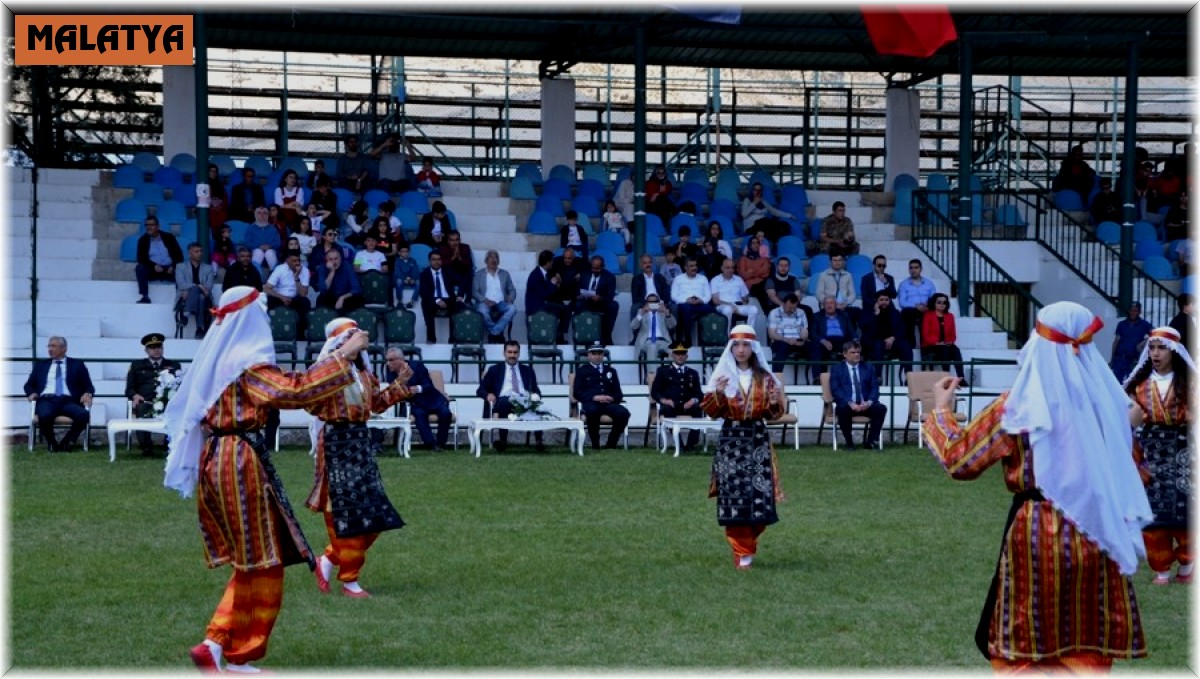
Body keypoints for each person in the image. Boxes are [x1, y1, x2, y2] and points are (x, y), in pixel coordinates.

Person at [922, 301, 1151, 671]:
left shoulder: (1019, 405)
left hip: (1038, 531)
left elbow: (960, 460)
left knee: (1026, 635)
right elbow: (1136, 472)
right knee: (1087, 631)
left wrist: (941, 411)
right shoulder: (1107, 404)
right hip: (1098, 530)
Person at [162, 286, 365, 674]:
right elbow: (295, 392)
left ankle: (221, 644)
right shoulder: (246, 363)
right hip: (238, 461)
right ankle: (229, 648)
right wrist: (344, 356)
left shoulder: (224, 361)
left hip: (221, 458)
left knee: (254, 558)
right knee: (260, 560)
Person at [303, 318, 415, 599]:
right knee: (344, 513)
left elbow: (375, 404)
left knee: (376, 515)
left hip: (360, 444)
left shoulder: (363, 374)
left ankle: (328, 559)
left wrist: (399, 385)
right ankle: (350, 579)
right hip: (336, 443)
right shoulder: (324, 371)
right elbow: (311, 402)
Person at [700, 324, 786, 570]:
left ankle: (747, 545)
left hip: (757, 439)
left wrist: (772, 404)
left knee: (759, 495)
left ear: (753, 348)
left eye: (745, 344)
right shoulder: (722, 376)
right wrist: (716, 393)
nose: (740, 350)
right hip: (731, 441)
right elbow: (710, 411)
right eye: (736, 345)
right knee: (734, 496)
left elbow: (776, 412)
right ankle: (742, 552)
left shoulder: (765, 378)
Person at [1124, 326, 1194, 586]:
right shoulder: (1137, 384)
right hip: (1150, 452)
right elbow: (1130, 419)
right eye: (1151, 348)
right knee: (1153, 515)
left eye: (1161, 348)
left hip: (1184, 452)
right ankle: (1161, 567)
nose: (1155, 353)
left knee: (1187, 514)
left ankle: (1188, 562)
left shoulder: (1190, 383)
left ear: (1174, 351)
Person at [24, 335, 94, 452]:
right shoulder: (41, 365)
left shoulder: (77, 364)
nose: (50, 349)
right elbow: (28, 385)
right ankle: (52, 443)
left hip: (68, 401)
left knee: (84, 415)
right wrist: (31, 393)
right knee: (45, 416)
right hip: (47, 400)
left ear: (64, 348)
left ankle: (66, 442)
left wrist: (88, 393)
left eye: (54, 346)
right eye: (49, 346)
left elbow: (89, 386)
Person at [477, 341, 544, 452]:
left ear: (519, 353)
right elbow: (480, 390)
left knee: (535, 403)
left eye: (515, 352)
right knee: (505, 402)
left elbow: (536, 389)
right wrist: (488, 394)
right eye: (510, 352)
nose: (512, 355)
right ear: (504, 353)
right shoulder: (495, 370)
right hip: (503, 401)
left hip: (523, 400)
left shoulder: (528, 370)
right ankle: (503, 441)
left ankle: (539, 442)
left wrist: (536, 396)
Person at [125, 332, 183, 456]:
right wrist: (135, 396)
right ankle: (146, 447)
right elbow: (129, 389)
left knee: (176, 411)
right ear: (146, 350)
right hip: (145, 401)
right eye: (152, 348)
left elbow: (180, 386)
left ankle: (169, 445)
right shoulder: (136, 365)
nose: (156, 350)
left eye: (159, 347)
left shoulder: (174, 365)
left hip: (168, 402)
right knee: (142, 410)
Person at [385, 347, 452, 451]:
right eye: (387, 360)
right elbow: (394, 389)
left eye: (391, 360)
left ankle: (441, 443)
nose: (388, 363)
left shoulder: (417, 366)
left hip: (431, 398)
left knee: (446, 414)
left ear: (400, 359)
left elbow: (428, 385)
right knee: (420, 415)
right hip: (415, 402)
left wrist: (418, 388)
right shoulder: (390, 372)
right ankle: (431, 444)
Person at [829, 339, 886, 449]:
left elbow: (875, 388)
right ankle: (849, 443)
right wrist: (850, 403)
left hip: (865, 404)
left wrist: (869, 403)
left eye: (858, 352)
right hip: (848, 405)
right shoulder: (837, 369)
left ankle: (870, 442)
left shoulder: (868, 367)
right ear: (845, 354)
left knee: (880, 408)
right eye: (853, 352)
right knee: (842, 409)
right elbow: (836, 390)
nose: (856, 355)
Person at [575, 341, 630, 449]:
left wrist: (612, 398)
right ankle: (595, 444)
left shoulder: (611, 371)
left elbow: (618, 393)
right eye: (594, 354)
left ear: (603, 355)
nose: (597, 356)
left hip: (609, 404)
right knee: (592, 411)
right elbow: (577, 392)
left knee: (623, 413)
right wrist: (594, 397)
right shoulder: (582, 371)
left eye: (600, 354)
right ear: (588, 355)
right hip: (592, 403)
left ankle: (611, 443)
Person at [651, 342, 704, 450]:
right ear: (672, 355)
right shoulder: (663, 371)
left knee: (698, 408)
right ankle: (679, 444)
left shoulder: (692, 373)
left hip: (687, 405)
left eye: (683, 353)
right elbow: (655, 391)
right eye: (677, 353)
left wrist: (693, 400)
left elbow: (699, 393)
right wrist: (664, 400)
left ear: (687, 356)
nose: (680, 356)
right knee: (667, 409)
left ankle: (691, 444)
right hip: (671, 405)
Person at [858, 291, 913, 380]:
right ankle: (878, 376)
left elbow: (902, 329)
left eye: (886, 300)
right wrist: (876, 315)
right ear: (876, 301)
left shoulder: (895, 313)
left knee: (905, 344)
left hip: (891, 342)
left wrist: (893, 337)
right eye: (881, 300)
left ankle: (909, 375)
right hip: (873, 342)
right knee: (878, 344)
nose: (884, 302)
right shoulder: (868, 313)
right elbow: (865, 329)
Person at [920, 292, 968, 384]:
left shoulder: (950, 316)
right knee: (944, 349)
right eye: (939, 302)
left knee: (955, 350)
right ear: (934, 303)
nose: (942, 305)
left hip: (945, 344)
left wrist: (950, 341)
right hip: (931, 345)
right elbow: (925, 335)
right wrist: (937, 343)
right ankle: (946, 377)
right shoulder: (928, 315)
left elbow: (953, 335)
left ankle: (960, 378)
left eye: (944, 302)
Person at [419, 251, 466, 343]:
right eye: (434, 259)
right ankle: (431, 338)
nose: (436, 262)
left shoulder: (448, 271)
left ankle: (454, 339)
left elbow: (462, 281)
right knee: (425, 303)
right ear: (429, 261)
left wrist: (460, 295)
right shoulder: (424, 274)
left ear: (441, 261)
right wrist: (437, 301)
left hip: (449, 299)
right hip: (433, 300)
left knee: (461, 306)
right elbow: (423, 292)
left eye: (438, 259)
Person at [135, 215, 183, 304]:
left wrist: (173, 266)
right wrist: (154, 266)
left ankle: (181, 298)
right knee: (140, 268)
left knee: (181, 269)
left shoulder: (169, 237)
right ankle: (145, 296)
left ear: (158, 226)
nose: (149, 227)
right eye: (147, 225)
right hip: (154, 270)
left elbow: (179, 256)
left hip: (169, 269)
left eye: (152, 225)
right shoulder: (142, 240)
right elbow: (141, 258)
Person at [525, 249, 571, 345]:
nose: (553, 263)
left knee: (565, 308)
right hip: (536, 307)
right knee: (562, 309)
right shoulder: (535, 275)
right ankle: (558, 336)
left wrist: (555, 284)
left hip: (542, 303)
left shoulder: (543, 273)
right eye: (552, 261)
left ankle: (559, 335)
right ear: (548, 262)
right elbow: (544, 294)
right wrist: (552, 283)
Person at [473, 250, 518, 343]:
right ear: (486, 260)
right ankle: (497, 333)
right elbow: (474, 292)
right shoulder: (478, 274)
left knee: (513, 308)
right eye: (491, 257)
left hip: (501, 302)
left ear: (498, 260)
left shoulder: (505, 274)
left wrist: (511, 298)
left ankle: (494, 332)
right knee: (482, 311)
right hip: (485, 302)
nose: (493, 260)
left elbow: (512, 290)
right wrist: (485, 300)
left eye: (496, 257)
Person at [670, 258, 715, 345]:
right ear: (685, 268)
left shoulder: (703, 278)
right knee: (686, 310)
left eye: (695, 266)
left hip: (700, 304)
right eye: (691, 266)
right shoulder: (678, 279)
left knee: (712, 310)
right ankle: (687, 337)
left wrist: (701, 300)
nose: (694, 268)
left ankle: (710, 340)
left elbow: (708, 295)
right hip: (685, 304)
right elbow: (673, 296)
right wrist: (686, 300)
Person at [810, 296, 855, 382]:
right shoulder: (817, 316)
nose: (829, 306)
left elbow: (851, 331)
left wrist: (856, 339)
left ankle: (851, 378)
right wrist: (823, 341)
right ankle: (818, 378)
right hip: (825, 341)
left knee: (852, 348)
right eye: (826, 303)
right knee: (816, 348)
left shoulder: (844, 315)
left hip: (841, 341)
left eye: (831, 303)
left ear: (836, 305)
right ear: (823, 305)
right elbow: (812, 333)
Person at [576, 255, 619, 346]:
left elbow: (610, 296)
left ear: (602, 267)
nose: (595, 271)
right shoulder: (585, 274)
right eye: (593, 268)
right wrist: (580, 296)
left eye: (597, 269)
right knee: (578, 305)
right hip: (587, 301)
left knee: (614, 305)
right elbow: (577, 290)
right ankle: (581, 337)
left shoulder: (610, 277)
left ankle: (607, 336)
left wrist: (600, 298)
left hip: (602, 303)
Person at [175, 241, 215, 338]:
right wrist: (199, 286)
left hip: (201, 297)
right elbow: (181, 284)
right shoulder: (180, 267)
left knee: (201, 295)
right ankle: (200, 329)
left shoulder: (208, 268)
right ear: (190, 253)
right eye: (196, 251)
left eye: (201, 251)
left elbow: (208, 287)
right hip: (185, 297)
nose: (199, 253)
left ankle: (186, 315)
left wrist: (197, 288)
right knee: (200, 296)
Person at [897, 258, 937, 348]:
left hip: (926, 308)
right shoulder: (904, 284)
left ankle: (926, 345)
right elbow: (902, 302)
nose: (913, 270)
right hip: (911, 310)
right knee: (906, 312)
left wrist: (927, 305)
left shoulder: (929, 283)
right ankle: (911, 344)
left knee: (928, 315)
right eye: (911, 268)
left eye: (916, 267)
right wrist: (916, 306)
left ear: (921, 269)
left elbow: (934, 298)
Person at [1109, 301, 1152, 383]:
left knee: (1132, 384)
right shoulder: (1121, 324)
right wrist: (1112, 359)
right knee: (1116, 384)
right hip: (1119, 359)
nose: (1133, 312)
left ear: (1139, 312)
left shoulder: (1144, 324)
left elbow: (1155, 333)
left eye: (1136, 310)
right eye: (1131, 310)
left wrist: (1143, 342)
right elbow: (1116, 341)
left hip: (1133, 360)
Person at [767, 293, 809, 376]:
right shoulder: (774, 313)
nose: (792, 310)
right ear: (783, 304)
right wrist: (786, 340)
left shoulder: (801, 312)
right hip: (781, 341)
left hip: (797, 341)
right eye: (790, 308)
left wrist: (802, 339)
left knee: (815, 347)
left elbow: (805, 331)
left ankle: (817, 378)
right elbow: (771, 334)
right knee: (782, 348)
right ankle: (777, 377)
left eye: (794, 308)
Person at [710, 258, 758, 329]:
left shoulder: (738, 279)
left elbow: (745, 297)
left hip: (738, 306)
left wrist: (744, 301)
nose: (730, 270)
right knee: (728, 309)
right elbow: (715, 300)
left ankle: (748, 335)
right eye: (728, 268)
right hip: (723, 306)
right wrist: (730, 305)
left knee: (754, 309)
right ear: (722, 268)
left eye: (732, 267)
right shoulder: (715, 280)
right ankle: (728, 336)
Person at [631, 293, 675, 365]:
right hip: (647, 341)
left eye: (655, 302)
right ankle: (652, 375)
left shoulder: (663, 312)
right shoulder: (641, 311)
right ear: (646, 303)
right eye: (650, 302)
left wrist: (667, 313)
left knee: (675, 352)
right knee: (652, 346)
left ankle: (669, 374)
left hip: (663, 341)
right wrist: (642, 313)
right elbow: (633, 326)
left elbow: (672, 325)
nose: (652, 304)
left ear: (659, 302)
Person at [630, 254, 671, 320]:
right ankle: (635, 329)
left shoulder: (660, 278)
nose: (648, 265)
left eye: (649, 262)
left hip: (660, 302)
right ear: (641, 265)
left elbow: (666, 294)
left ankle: (673, 329)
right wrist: (646, 304)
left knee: (673, 307)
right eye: (645, 263)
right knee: (634, 307)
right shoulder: (636, 279)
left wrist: (661, 303)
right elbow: (635, 298)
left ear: (652, 264)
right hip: (644, 303)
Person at [244, 206, 282, 274]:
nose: (262, 215)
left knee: (269, 252)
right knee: (258, 252)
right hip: (255, 251)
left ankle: (275, 276)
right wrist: (259, 246)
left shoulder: (273, 228)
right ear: (255, 215)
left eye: (264, 213)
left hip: (271, 252)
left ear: (267, 215)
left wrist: (269, 246)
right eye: (259, 213)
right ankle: (253, 275)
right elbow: (247, 242)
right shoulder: (250, 228)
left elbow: (278, 242)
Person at [392, 242, 421, 310]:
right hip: (402, 279)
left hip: (410, 279)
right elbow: (397, 273)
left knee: (418, 282)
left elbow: (415, 271)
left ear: (409, 252)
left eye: (406, 251)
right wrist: (404, 278)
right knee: (398, 281)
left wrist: (412, 279)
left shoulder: (412, 261)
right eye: (403, 252)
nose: (405, 253)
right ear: (399, 253)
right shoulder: (397, 261)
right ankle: (400, 301)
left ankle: (412, 301)